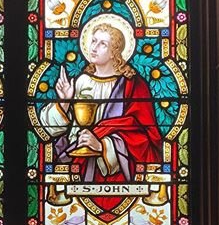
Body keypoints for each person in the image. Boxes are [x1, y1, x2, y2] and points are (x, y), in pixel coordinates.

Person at [40, 15, 162, 209]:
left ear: (115, 52)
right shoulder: (80, 82)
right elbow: (50, 130)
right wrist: (64, 102)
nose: (94, 47)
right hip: (77, 169)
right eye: (93, 41)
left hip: (119, 173)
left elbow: (145, 136)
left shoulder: (133, 85)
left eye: (103, 44)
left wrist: (103, 146)